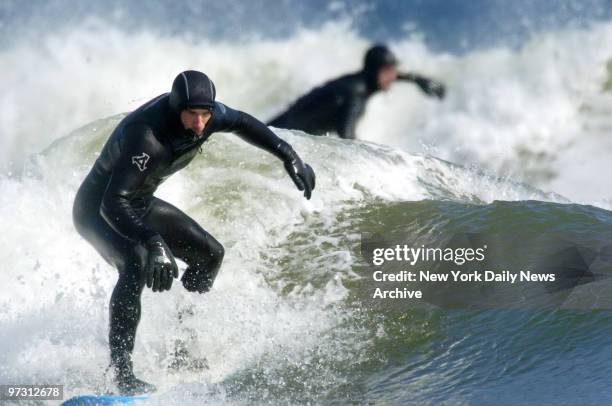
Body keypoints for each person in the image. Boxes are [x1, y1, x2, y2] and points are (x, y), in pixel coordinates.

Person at [72, 70, 316, 395]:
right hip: (97, 209)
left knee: (211, 255)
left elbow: (243, 122)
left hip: (139, 202)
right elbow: (113, 202)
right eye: (192, 115)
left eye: (206, 114)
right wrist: (153, 241)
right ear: (177, 109)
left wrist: (290, 156)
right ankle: (122, 374)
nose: (201, 124)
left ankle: (182, 346)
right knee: (137, 261)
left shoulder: (209, 115)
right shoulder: (146, 137)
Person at [267, 44, 445, 140]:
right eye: (389, 70)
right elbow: (347, 138)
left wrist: (418, 80)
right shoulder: (354, 96)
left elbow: (391, 76)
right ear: (376, 70)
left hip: (278, 129)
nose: (394, 76)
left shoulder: (358, 81)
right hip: (280, 136)